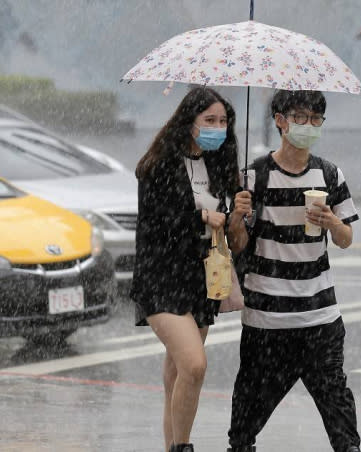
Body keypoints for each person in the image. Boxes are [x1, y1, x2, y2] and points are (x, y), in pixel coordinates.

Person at [226, 90, 361, 452]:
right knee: (244, 427)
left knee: (342, 422)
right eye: (300, 117)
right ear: (280, 120)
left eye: (316, 119)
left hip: (321, 318)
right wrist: (238, 216)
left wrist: (332, 221)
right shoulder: (253, 176)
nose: (308, 126)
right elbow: (237, 245)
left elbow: (346, 238)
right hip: (266, 321)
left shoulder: (330, 174)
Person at [130, 87, 240, 452]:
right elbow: (156, 223)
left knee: (177, 374)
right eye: (209, 120)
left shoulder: (219, 165)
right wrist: (203, 216)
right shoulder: (162, 162)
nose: (217, 128)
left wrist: (236, 210)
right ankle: (183, 448)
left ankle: (171, 446)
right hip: (162, 278)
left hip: (201, 278)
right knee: (194, 366)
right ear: (188, 122)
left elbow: (229, 227)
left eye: (223, 121)